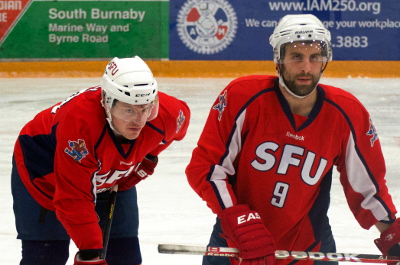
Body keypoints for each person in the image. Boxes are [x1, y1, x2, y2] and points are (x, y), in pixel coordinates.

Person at [185, 14, 400, 265]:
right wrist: (238, 221)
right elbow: (207, 168)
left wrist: (393, 235)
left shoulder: (347, 113)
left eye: (314, 57)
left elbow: (367, 189)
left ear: (325, 61)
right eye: (296, 57)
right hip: (236, 243)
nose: (306, 67)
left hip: (310, 248)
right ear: (279, 59)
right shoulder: (242, 97)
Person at [11, 56, 190, 265]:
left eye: (145, 108)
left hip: (105, 172)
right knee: (47, 256)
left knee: (124, 256)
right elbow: (72, 198)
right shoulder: (80, 125)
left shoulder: (167, 114)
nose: (139, 120)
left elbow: (175, 127)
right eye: (129, 110)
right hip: (44, 170)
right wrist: (90, 253)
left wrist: (147, 158)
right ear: (107, 104)